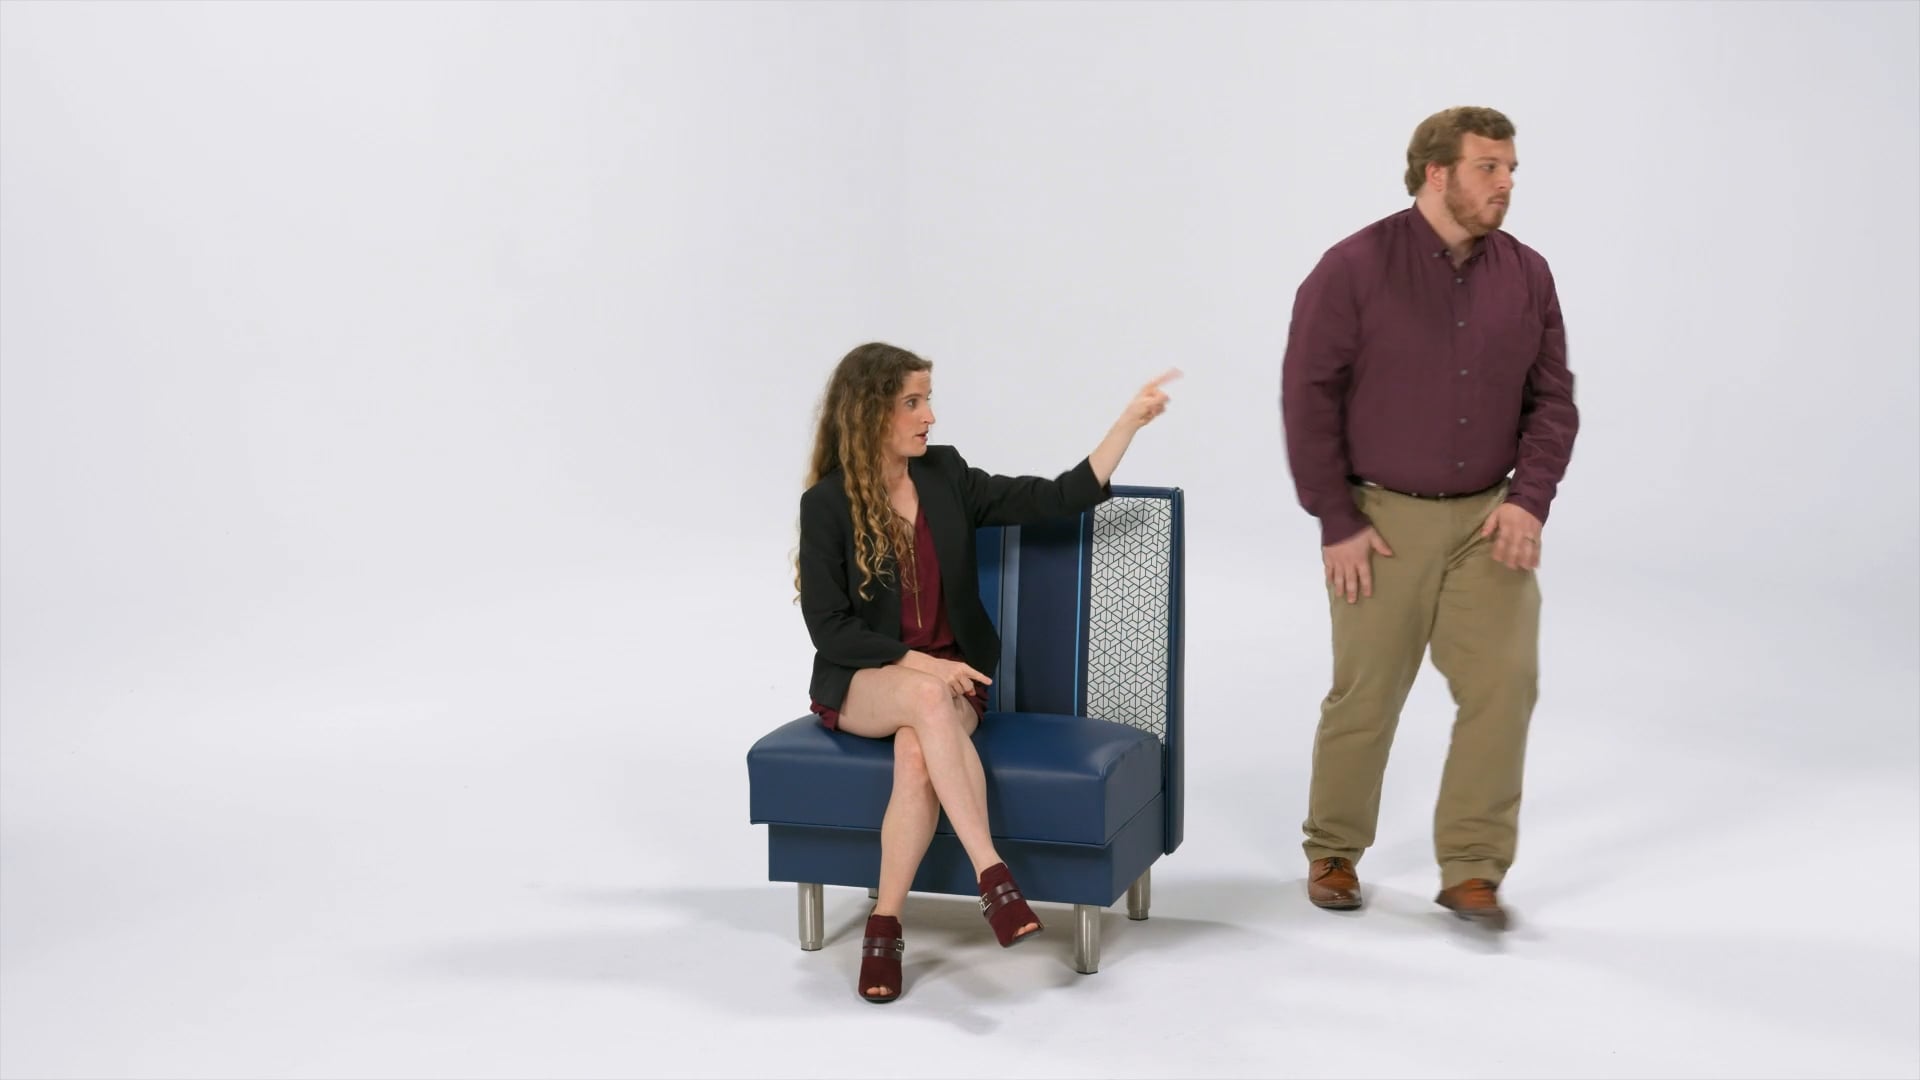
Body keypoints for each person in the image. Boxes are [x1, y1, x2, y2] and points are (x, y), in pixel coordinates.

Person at [795, 342, 1177, 1002]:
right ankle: (993, 874)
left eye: (927, 400)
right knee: (924, 696)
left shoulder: (945, 476)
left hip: (952, 687)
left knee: (917, 749)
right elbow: (831, 629)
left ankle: (884, 926)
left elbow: (1056, 497)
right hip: (865, 682)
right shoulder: (826, 504)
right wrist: (923, 663)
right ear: (869, 413)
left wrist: (1127, 424)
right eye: (912, 402)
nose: (929, 416)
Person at [1279, 106, 1579, 930]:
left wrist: (1529, 499)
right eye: (1490, 167)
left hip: (1490, 520)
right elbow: (1308, 399)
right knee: (1368, 692)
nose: (1507, 184)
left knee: (1505, 684)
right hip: (1380, 522)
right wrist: (1336, 519)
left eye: (1511, 168)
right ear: (1436, 172)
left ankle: (1473, 869)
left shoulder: (1528, 273)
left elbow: (1553, 400)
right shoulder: (1352, 267)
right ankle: (1334, 849)